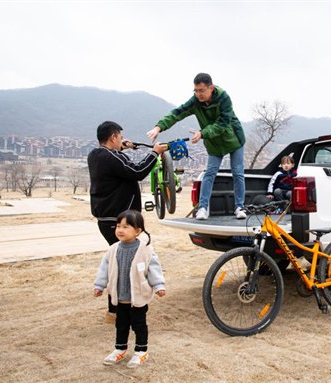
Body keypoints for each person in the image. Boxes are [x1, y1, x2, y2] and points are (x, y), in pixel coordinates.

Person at [88, 121, 167, 321]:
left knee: (119, 261)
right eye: (120, 137)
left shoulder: (96, 155)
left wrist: (123, 148)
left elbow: (119, 164)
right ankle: (120, 311)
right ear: (113, 137)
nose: (122, 140)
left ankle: (114, 311)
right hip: (119, 221)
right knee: (125, 265)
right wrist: (154, 153)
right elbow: (137, 171)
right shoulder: (110, 157)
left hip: (106, 219)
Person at [146, 73, 246, 220]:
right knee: (209, 173)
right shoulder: (195, 101)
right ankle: (203, 208)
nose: (198, 94)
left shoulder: (223, 98)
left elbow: (223, 123)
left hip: (233, 139)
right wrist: (158, 127)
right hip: (213, 143)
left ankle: (240, 207)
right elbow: (177, 113)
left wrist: (202, 133)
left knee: (237, 172)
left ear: (211, 88)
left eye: (201, 90)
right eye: (196, 91)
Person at [94, 210, 166, 369]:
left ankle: (141, 350)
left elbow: (154, 268)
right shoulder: (113, 249)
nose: (120, 230)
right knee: (121, 324)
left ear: (138, 231)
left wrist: (159, 285)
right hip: (120, 297)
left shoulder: (145, 250)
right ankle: (120, 348)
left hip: (138, 298)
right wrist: (99, 285)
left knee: (139, 324)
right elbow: (104, 269)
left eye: (126, 227)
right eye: (118, 226)